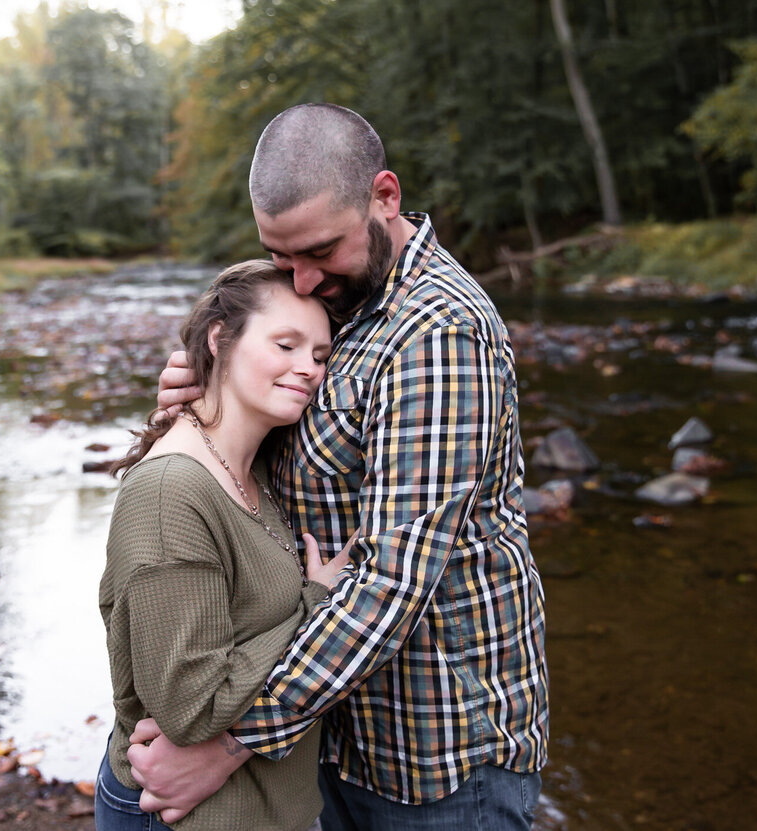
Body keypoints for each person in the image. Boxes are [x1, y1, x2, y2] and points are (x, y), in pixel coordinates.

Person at [128, 103, 548, 830]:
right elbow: (284, 486)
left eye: (321, 250)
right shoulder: (336, 298)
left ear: (385, 197)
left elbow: (391, 580)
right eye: (282, 254)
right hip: (327, 733)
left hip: (435, 755)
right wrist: (204, 410)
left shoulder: (439, 334)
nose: (302, 278)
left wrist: (229, 742)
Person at [95, 259, 351, 831]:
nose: (307, 369)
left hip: (268, 809)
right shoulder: (170, 494)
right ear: (220, 338)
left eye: (319, 355)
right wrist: (316, 605)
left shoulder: (253, 469)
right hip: (189, 816)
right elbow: (193, 708)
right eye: (285, 345)